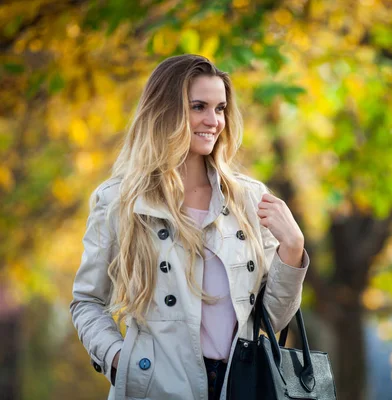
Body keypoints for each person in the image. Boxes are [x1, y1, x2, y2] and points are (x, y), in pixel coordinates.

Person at [70, 54, 309, 400]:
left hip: (239, 385)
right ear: (165, 111)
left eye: (220, 108)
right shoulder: (120, 201)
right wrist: (121, 361)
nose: (213, 120)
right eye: (199, 106)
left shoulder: (248, 199)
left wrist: (293, 249)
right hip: (157, 388)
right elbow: (87, 301)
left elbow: (271, 320)